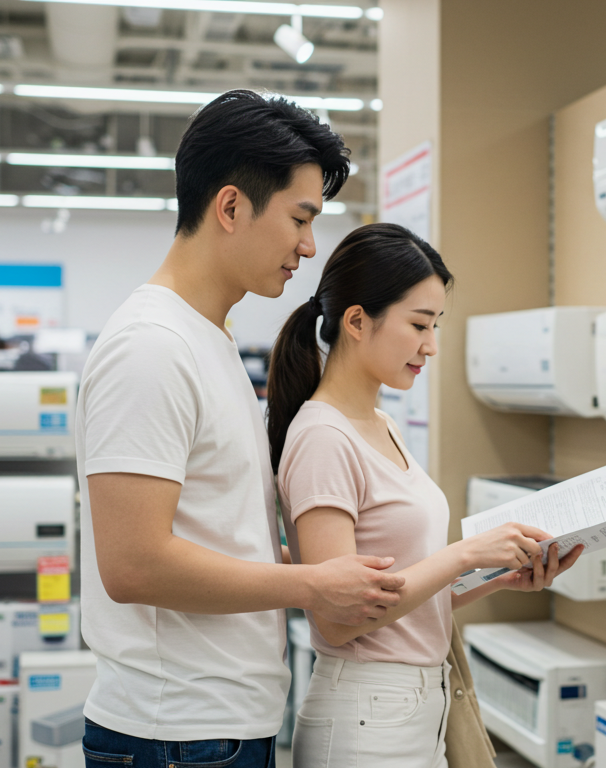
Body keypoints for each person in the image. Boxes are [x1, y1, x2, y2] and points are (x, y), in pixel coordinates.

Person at [75, 91, 408, 768]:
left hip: (213, 726)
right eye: (300, 218)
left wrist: (324, 568)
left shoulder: (211, 340)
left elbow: (209, 535)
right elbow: (134, 564)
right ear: (230, 207)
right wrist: (312, 586)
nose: (308, 247)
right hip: (174, 734)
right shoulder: (151, 347)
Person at [268, 223, 584, 768]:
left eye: (435, 325)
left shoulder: (381, 423)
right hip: (368, 713)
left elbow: (399, 593)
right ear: (357, 321)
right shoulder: (323, 437)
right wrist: (464, 553)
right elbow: (340, 617)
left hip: (414, 707)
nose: (431, 346)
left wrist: (496, 575)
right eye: (419, 324)